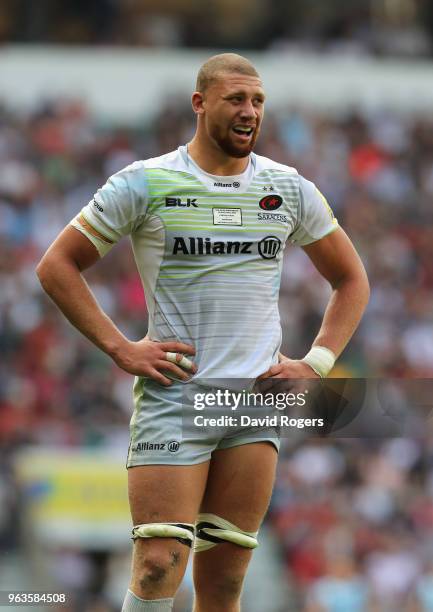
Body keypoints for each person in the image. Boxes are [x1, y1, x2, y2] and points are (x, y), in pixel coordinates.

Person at [36, 53, 370, 612]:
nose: (250, 112)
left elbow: (352, 278)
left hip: (251, 401)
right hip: (177, 396)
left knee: (225, 582)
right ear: (199, 103)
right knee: (157, 563)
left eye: (258, 101)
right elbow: (56, 265)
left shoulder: (287, 188)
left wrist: (316, 362)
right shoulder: (146, 182)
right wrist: (120, 347)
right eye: (236, 100)